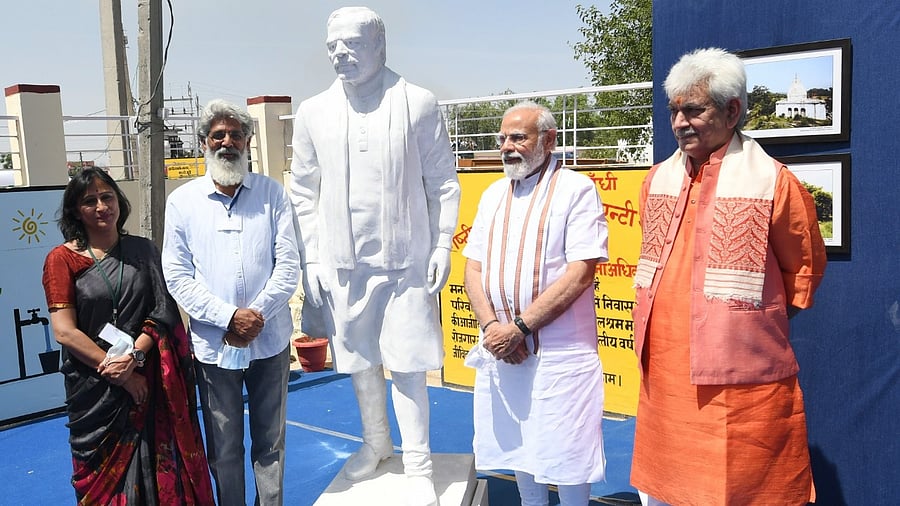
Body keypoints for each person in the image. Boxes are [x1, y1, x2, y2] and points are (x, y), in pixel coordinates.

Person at [630, 48, 827, 505]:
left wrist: (738, 324)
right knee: (663, 490)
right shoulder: (656, 179)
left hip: (741, 386)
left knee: (744, 490)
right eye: (674, 110)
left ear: (732, 110)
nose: (679, 122)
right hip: (663, 378)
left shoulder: (775, 183)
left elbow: (803, 273)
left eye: (693, 109)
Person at [289, 7, 460, 505]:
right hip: (345, 264)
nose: (340, 54)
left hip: (405, 262)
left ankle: (418, 461)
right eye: (332, 46)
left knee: (407, 364)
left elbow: (442, 184)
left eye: (352, 44)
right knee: (360, 361)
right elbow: (303, 192)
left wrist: (443, 241)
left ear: (379, 45)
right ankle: (376, 442)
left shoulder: (417, 103)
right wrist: (313, 259)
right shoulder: (313, 112)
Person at [462, 101, 609, 506]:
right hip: (504, 350)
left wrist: (520, 328)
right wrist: (494, 329)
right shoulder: (492, 194)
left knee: (567, 450)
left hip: (559, 353)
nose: (508, 146)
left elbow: (580, 272)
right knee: (517, 442)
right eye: (503, 138)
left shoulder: (576, 189)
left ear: (549, 139)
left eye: (518, 137)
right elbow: (472, 271)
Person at [41, 167, 214, 505]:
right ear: (76, 210)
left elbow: (163, 311)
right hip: (95, 389)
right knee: (102, 481)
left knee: (157, 463)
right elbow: (64, 330)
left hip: (148, 380)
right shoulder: (60, 260)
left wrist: (133, 360)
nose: (102, 206)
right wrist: (118, 372)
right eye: (90, 201)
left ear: (119, 201)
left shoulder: (143, 251)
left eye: (107, 197)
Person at [162, 99, 300, 506]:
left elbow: (289, 265)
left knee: (270, 441)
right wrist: (228, 318)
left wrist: (255, 317)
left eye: (236, 135)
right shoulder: (183, 202)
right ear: (204, 143)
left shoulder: (273, 194)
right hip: (214, 345)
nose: (227, 142)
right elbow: (177, 275)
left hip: (269, 340)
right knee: (223, 448)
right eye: (218, 135)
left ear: (248, 142)